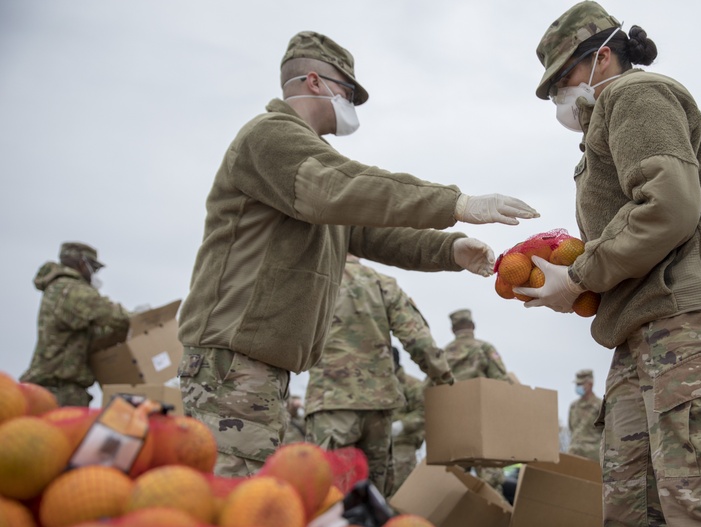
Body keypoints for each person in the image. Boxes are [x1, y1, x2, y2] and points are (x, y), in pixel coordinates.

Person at [176, 31, 538, 477]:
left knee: (250, 501)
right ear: (313, 81)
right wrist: (456, 203)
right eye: (347, 92)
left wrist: (450, 248)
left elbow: (368, 231)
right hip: (231, 363)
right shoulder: (270, 138)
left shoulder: (311, 161)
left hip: (255, 366)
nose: (351, 104)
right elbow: (339, 187)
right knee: (233, 504)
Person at [520, 2, 701, 527]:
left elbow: (667, 207)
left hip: (692, 325)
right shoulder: (609, 118)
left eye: (561, 82)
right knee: (636, 518)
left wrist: (582, 276)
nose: (559, 103)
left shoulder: (635, 95)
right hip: (647, 329)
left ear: (601, 58)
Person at [304, 256, 453, 495]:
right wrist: (442, 376)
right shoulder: (383, 284)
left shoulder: (316, 281)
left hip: (332, 399)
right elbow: (418, 339)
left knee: (328, 491)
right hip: (379, 405)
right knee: (373, 495)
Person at [21, 242, 131, 407]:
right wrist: (145, 319)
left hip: (54, 389)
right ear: (82, 264)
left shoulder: (59, 288)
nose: (94, 274)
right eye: (94, 268)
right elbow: (115, 316)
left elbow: (93, 332)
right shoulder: (70, 290)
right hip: (58, 392)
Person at [444, 308, 512, 493]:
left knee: (453, 482)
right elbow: (501, 383)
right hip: (483, 425)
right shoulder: (484, 349)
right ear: (472, 326)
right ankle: (495, 520)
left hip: (453, 427)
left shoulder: (443, 354)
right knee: (490, 483)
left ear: (452, 329)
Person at [388, 346, 428, 495]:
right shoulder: (374, 386)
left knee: (402, 491)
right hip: (378, 447)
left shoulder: (413, 385)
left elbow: (424, 412)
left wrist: (402, 425)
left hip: (403, 444)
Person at [568, 369, 602, 460]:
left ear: (590, 384)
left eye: (581, 384)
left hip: (592, 458)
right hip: (574, 454)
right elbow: (572, 429)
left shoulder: (600, 406)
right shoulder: (573, 406)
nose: (578, 387)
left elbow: (607, 433)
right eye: (577, 384)